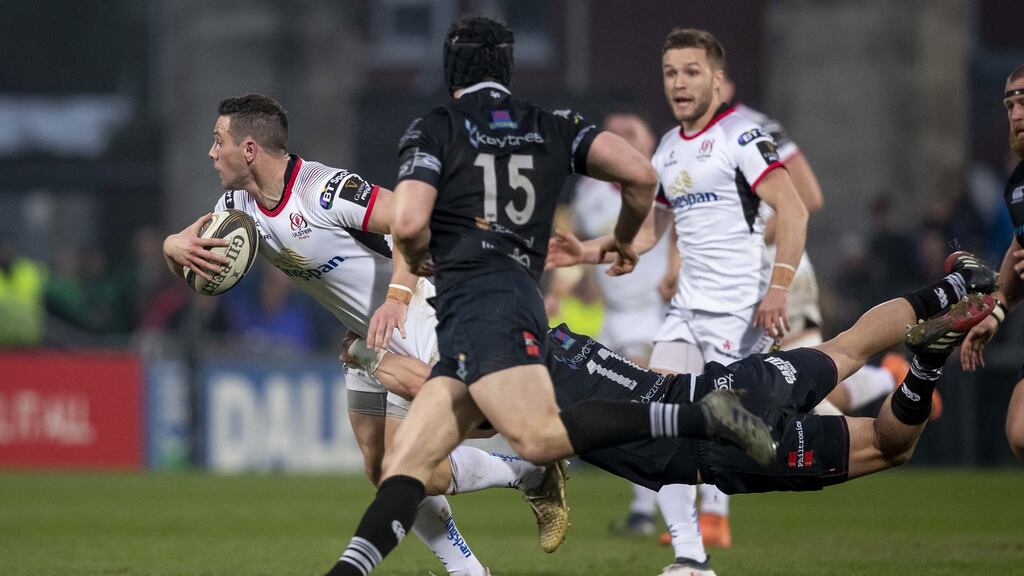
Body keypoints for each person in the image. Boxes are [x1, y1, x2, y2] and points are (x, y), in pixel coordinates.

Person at [323, 17, 777, 576]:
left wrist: (417, 257)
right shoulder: (550, 123)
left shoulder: (437, 127)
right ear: (508, 67)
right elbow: (640, 175)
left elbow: (410, 220)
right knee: (403, 466)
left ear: (451, 71)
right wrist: (624, 238)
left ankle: (697, 414)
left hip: (476, 309)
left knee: (536, 440)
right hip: (517, 300)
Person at [359, 253, 996, 576]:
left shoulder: (498, 373)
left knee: (888, 447)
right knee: (846, 348)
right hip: (728, 382)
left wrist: (374, 360)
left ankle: (926, 366)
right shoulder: (548, 336)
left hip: (707, 446)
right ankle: (954, 288)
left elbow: (451, 403)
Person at [161, 93, 564, 576]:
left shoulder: (323, 189)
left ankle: (527, 471)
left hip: (419, 307)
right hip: (367, 332)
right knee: (380, 468)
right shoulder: (235, 207)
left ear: (249, 150)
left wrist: (396, 298)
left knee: (420, 456)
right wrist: (172, 247)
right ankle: (478, 558)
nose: (211, 152)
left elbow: (413, 222)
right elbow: (199, 269)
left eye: (217, 141)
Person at [548, 28, 808, 574]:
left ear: (716, 79)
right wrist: (590, 251)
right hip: (685, 313)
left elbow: (795, 209)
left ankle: (725, 512)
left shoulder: (742, 137)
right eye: (671, 73)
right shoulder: (667, 148)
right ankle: (690, 554)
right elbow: (649, 230)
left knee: (730, 428)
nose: (679, 83)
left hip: (738, 310)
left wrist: (779, 288)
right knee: (659, 418)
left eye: (691, 72)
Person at [961, 64, 1024, 462]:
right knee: (1020, 432)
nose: (1016, 114)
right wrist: (996, 312)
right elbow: (1019, 249)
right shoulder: (1018, 184)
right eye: (1010, 105)